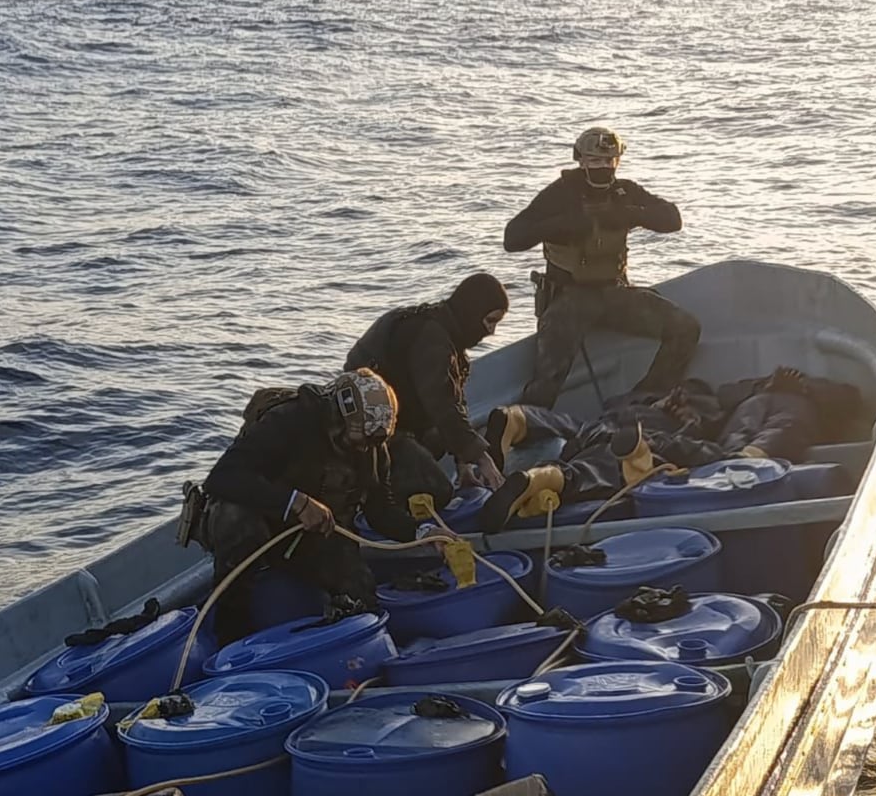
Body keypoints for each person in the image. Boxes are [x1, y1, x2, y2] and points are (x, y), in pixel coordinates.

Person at [182, 368, 454, 643]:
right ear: (339, 418)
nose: (363, 449)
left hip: (314, 533)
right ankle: (230, 630)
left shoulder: (372, 448)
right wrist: (294, 502)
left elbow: (380, 511)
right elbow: (222, 478)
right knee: (236, 517)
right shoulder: (288, 421)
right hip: (263, 521)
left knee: (362, 598)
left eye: (373, 442)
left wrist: (423, 532)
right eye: (358, 440)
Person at [479, 368, 862, 531]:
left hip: (610, 425)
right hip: (642, 434)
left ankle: (519, 418)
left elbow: (848, 397)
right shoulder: (712, 405)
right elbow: (716, 442)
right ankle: (551, 478)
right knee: (626, 457)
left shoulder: (744, 402)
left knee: (586, 435)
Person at [503, 126, 701, 409]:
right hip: (569, 299)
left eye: (610, 162)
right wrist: (562, 225)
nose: (604, 168)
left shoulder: (623, 192)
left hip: (615, 294)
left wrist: (631, 214)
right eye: (595, 161)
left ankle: (644, 401)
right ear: (580, 161)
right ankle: (528, 424)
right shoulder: (560, 195)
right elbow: (512, 238)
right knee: (548, 380)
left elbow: (672, 219)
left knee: (686, 328)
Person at [345, 272, 511, 491]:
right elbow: (443, 407)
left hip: (407, 419)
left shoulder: (451, 340)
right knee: (439, 491)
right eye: (490, 321)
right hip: (371, 434)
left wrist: (464, 463)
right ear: (472, 312)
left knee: (446, 438)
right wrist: (483, 460)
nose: (491, 332)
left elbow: (455, 404)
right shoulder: (432, 341)